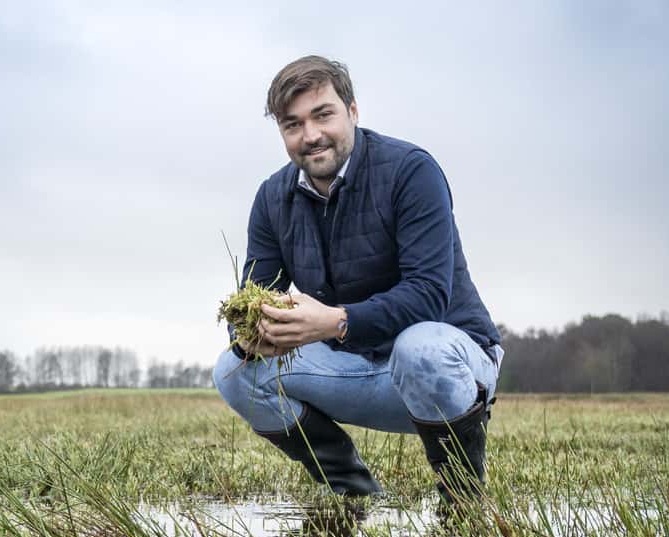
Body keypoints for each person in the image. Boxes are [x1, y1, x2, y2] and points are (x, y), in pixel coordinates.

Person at [213, 55, 503, 505]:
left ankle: (463, 498)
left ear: (352, 110)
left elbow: (428, 295)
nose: (310, 135)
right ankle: (354, 491)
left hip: (450, 369)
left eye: (322, 115)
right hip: (351, 369)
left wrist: (335, 322)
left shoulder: (410, 171)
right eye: (293, 124)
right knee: (233, 372)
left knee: (420, 347)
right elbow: (254, 297)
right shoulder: (273, 197)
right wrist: (252, 335)